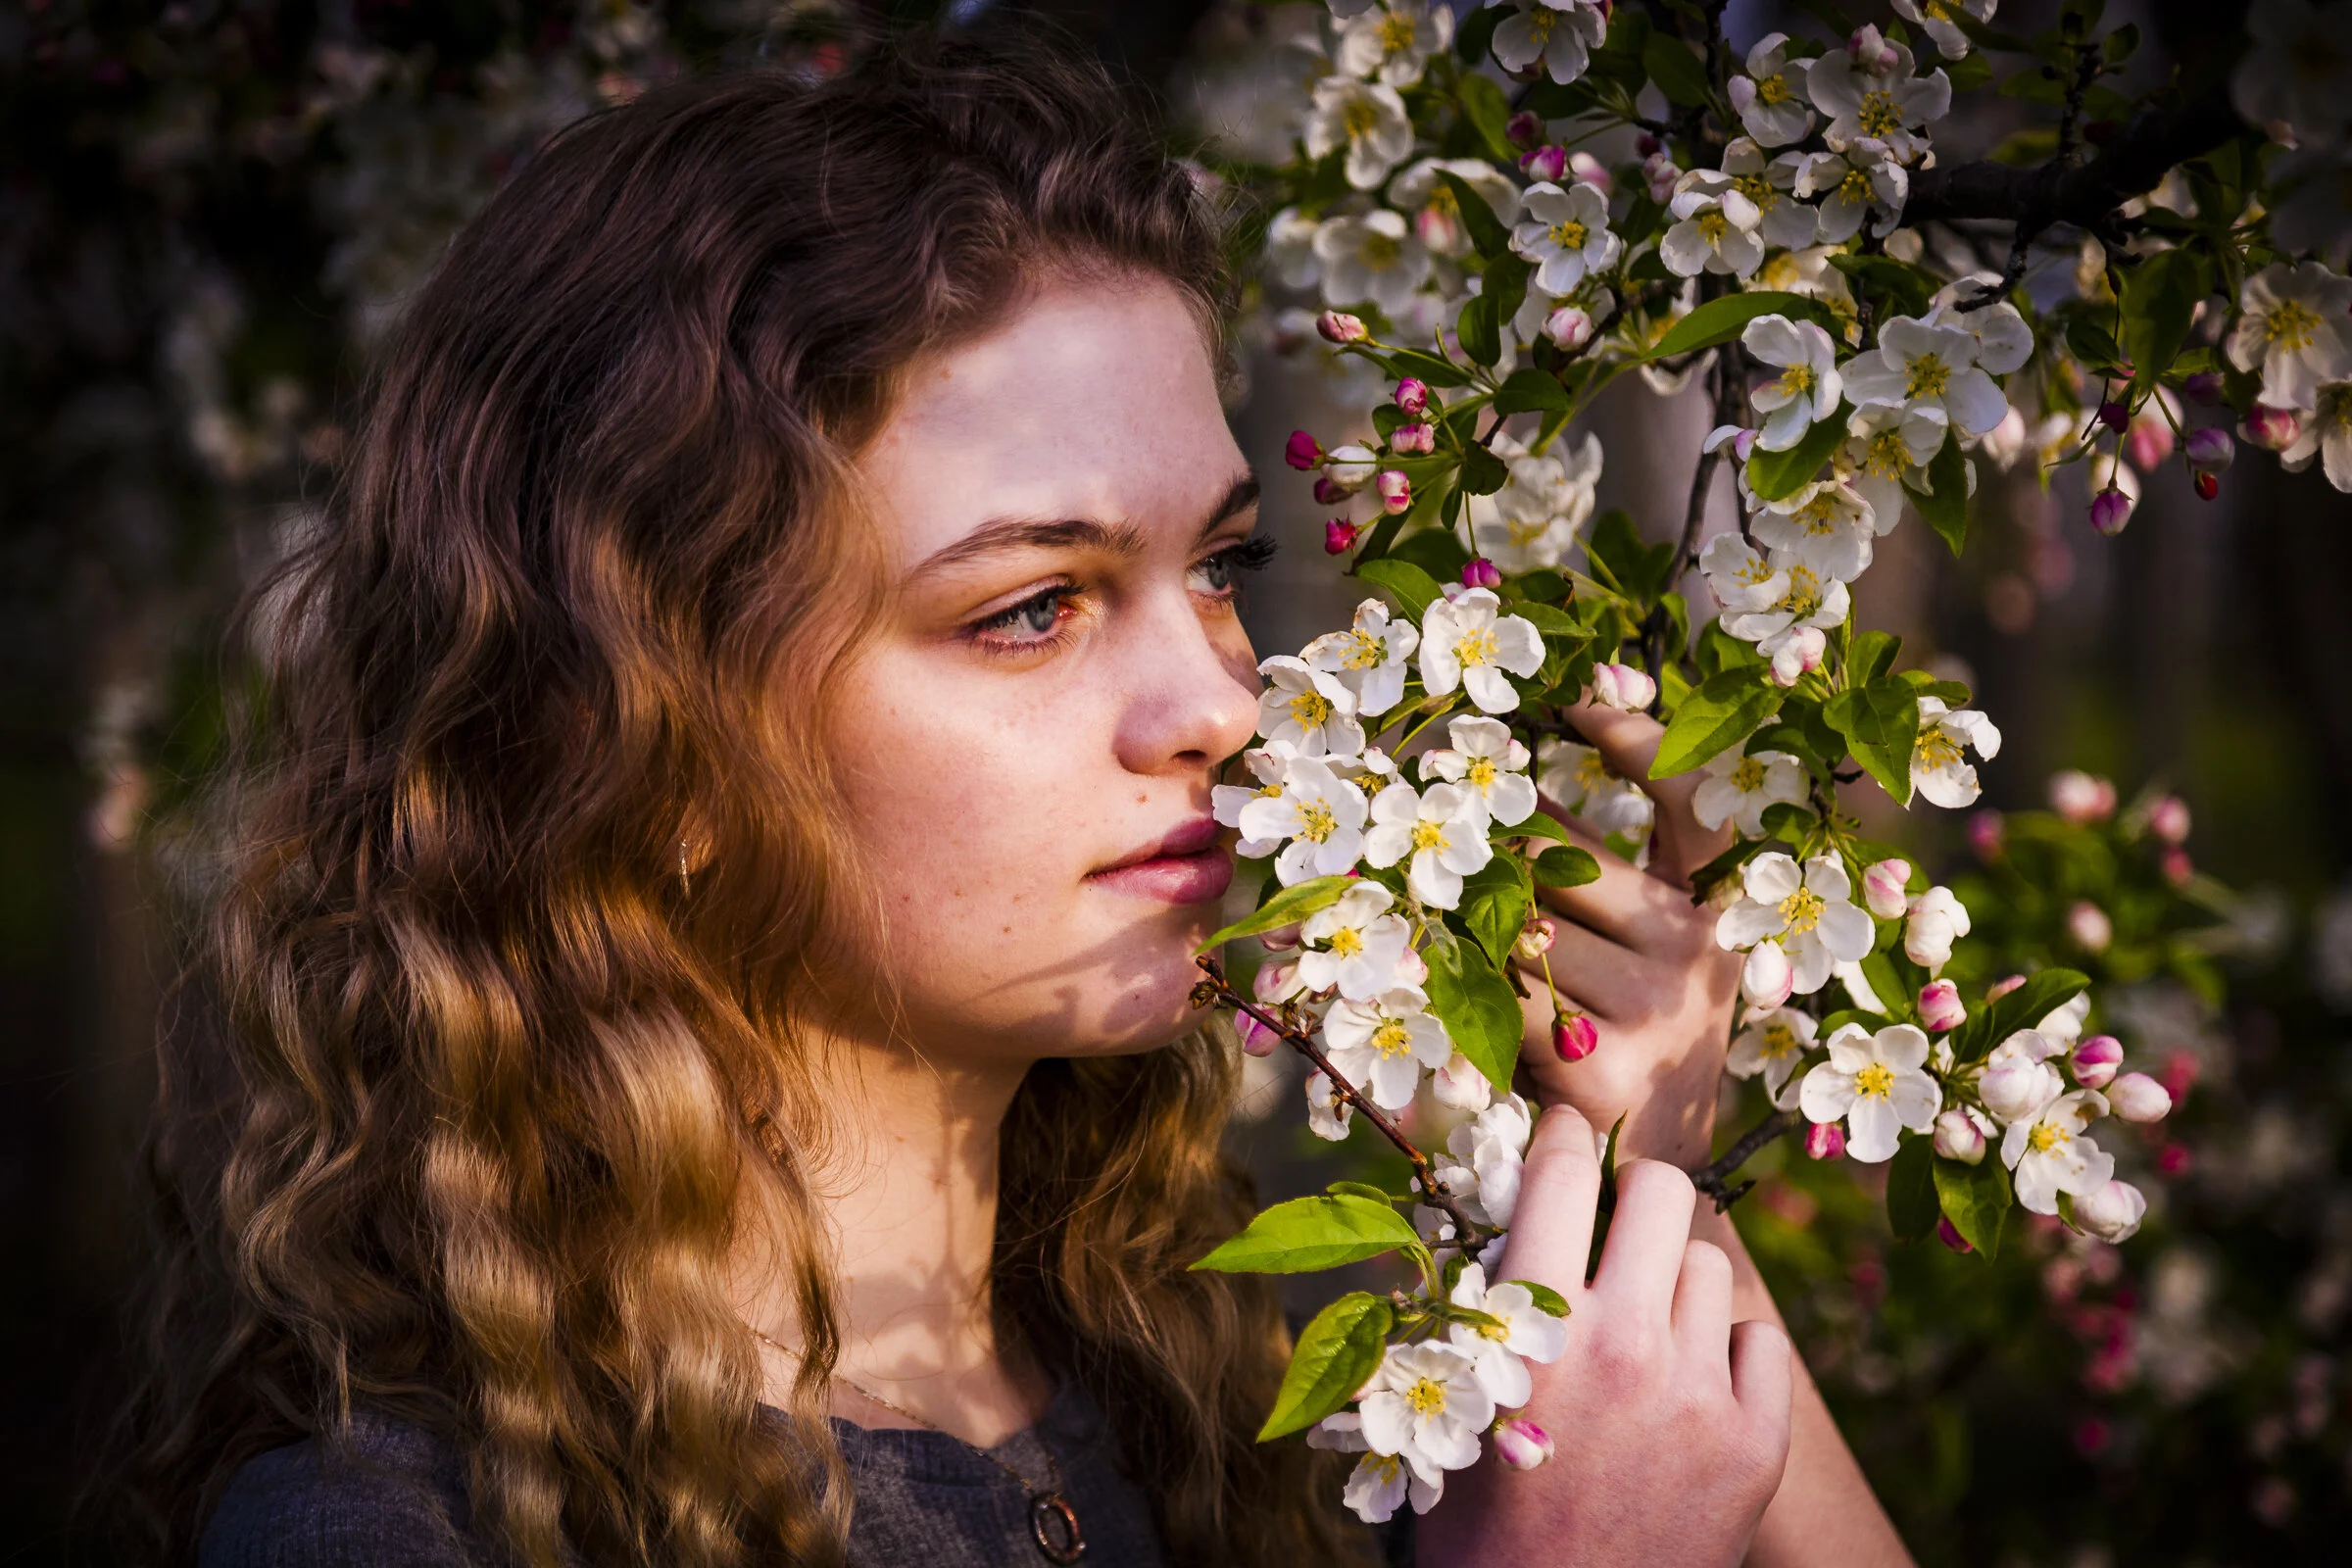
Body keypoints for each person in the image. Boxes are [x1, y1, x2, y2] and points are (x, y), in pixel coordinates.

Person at [107, 28, 1910, 1568]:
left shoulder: (1256, 1400)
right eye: (1029, 607)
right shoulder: (408, 1528)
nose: (1221, 701)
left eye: (1219, 566)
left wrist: (1603, 1157)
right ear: (641, 737)